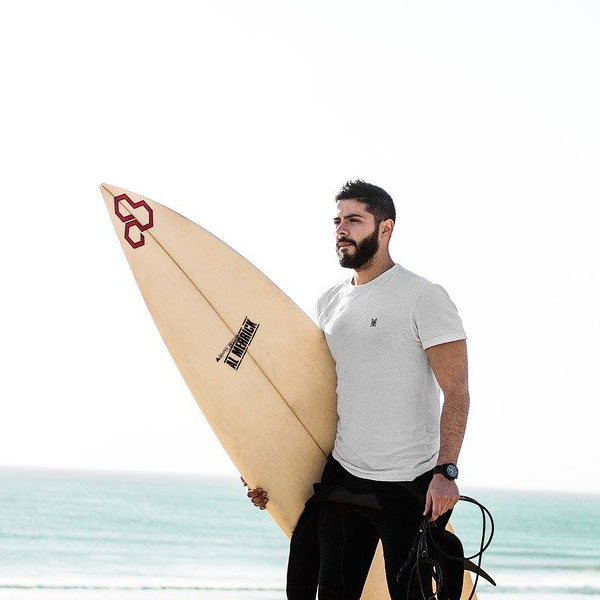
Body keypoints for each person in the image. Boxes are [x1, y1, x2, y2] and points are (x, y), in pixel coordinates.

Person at [241, 180, 470, 599]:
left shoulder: (423, 296)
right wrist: (267, 469)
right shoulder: (330, 303)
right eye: (337, 221)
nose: (341, 230)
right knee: (321, 589)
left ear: (386, 228)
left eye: (353, 220)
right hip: (346, 475)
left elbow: (456, 391)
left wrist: (446, 472)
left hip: (410, 484)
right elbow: (312, 396)